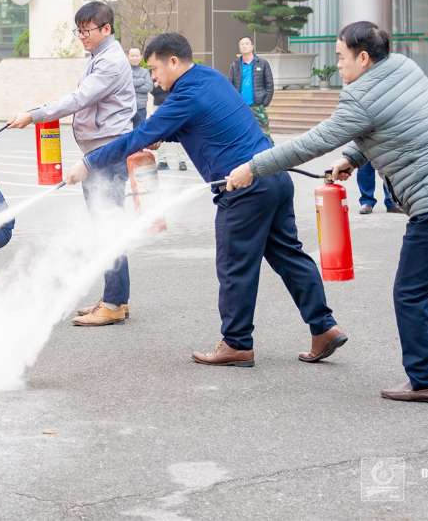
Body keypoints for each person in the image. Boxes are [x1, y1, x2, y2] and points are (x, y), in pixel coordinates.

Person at [227, 22, 428, 403]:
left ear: (363, 58)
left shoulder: (358, 96)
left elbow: (314, 141)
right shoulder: (405, 68)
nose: (339, 66)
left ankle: (427, 379)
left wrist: (254, 166)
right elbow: (395, 122)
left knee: (410, 294)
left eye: (342, 58)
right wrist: (352, 157)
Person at [67, 32, 345, 367]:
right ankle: (324, 327)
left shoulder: (184, 96)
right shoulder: (209, 78)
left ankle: (237, 343)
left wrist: (88, 163)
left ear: (173, 61)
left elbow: (139, 136)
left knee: (234, 267)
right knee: (289, 257)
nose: (153, 77)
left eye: (155, 69)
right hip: (275, 176)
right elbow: (207, 121)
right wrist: (166, 133)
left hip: (244, 187)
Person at [9, 1, 136, 327]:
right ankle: (116, 299)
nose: (82, 36)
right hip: (100, 152)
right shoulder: (99, 56)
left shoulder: (109, 62)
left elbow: (79, 99)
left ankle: (112, 302)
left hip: (107, 153)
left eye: (87, 30)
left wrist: (34, 114)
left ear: (106, 28)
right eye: (79, 31)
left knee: (107, 227)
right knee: (105, 225)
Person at [228, 36, 274, 138]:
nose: (244, 46)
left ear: (252, 46)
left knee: (264, 135)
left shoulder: (262, 63)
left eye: (247, 43)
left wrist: (264, 102)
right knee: (242, 135)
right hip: (240, 106)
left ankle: (268, 152)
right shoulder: (234, 65)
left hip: (257, 106)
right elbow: (230, 86)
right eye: (242, 44)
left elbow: (269, 84)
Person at [150, 77, 188, 172]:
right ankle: (163, 161)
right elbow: (151, 89)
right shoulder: (155, 70)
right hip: (159, 105)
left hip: (175, 105)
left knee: (179, 133)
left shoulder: (176, 71)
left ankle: (182, 161)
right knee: (159, 135)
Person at [128, 46, 152, 127]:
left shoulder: (145, 72)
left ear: (141, 57)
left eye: (136, 56)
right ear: (128, 56)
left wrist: (132, 85)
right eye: (132, 56)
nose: (134, 58)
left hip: (141, 108)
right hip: (127, 107)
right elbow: (125, 85)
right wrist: (141, 81)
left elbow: (149, 87)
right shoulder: (125, 71)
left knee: (140, 132)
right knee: (126, 133)